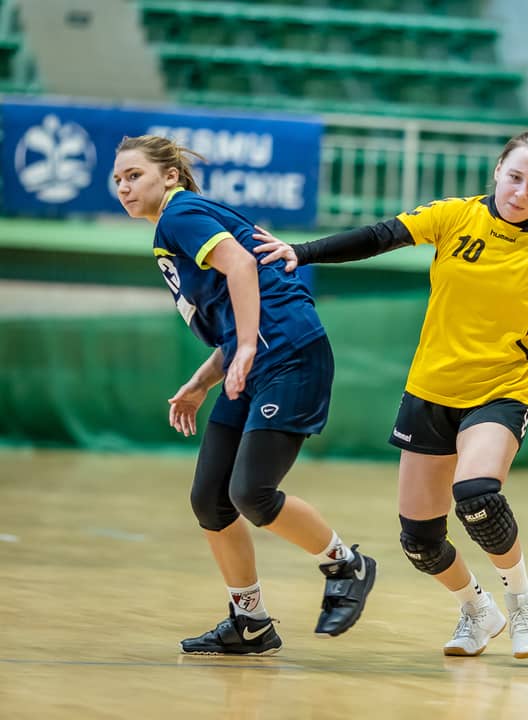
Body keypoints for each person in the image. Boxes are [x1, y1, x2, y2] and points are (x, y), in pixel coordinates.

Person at [254, 129, 528, 659]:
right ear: (498, 171)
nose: (522, 192)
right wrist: (300, 252)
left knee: (478, 495)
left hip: (501, 389)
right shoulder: (455, 215)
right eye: (515, 178)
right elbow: (380, 236)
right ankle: (476, 608)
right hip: (431, 389)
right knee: (419, 540)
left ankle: (523, 602)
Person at [112, 135, 376, 655]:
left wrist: (250, 345)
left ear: (170, 176)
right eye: (118, 179)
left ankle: (348, 565)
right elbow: (234, 320)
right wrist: (202, 381)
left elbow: (241, 266)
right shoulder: (177, 225)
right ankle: (250, 621)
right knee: (210, 499)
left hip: (289, 355)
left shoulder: (179, 215)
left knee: (251, 493)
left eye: (134, 175)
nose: (124, 186)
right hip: (255, 359)